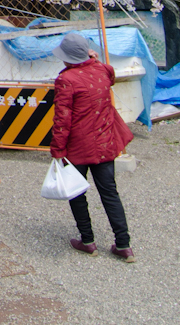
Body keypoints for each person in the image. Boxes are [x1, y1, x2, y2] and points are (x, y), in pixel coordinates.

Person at [49, 31, 134, 261]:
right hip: (104, 142)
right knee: (110, 193)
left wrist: (57, 149)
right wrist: (93, 59)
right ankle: (124, 244)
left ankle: (87, 241)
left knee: (77, 192)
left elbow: (62, 119)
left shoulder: (66, 80)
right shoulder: (103, 71)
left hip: (78, 146)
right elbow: (111, 74)